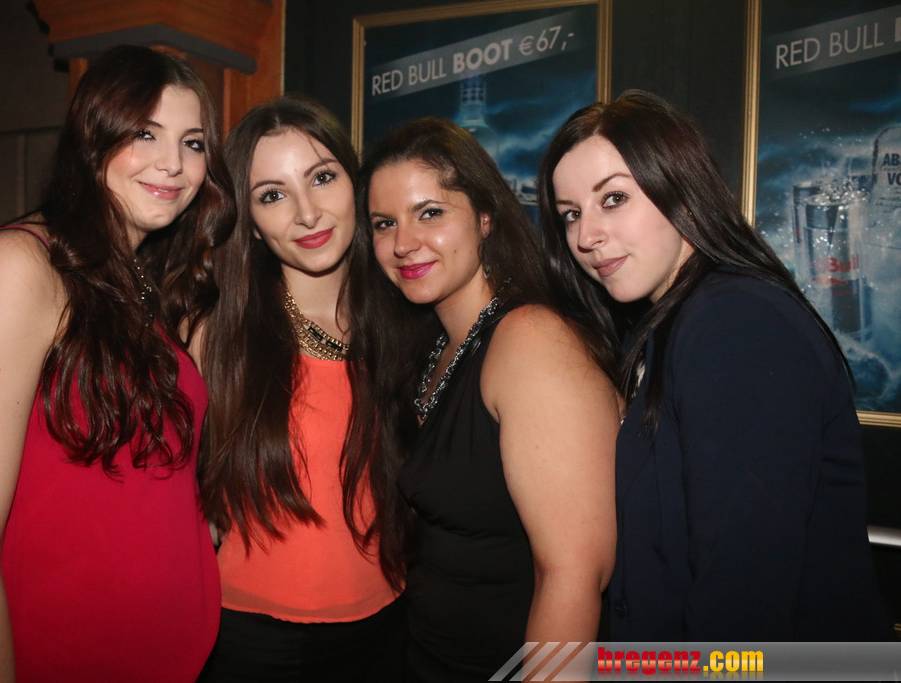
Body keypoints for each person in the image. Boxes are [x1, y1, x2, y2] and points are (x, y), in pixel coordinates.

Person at [538, 89, 895, 641]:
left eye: (614, 199)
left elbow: (743, 603)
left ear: (681, 189)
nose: (587, 236)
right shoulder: (670, 323)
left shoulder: (736, 322)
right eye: (570, 214)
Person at [0, 46, 234, 681]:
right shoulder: (18, 268)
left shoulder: (145, 284)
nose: (173, 163)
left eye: (193, 143)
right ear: (94, 136)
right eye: (145, 133)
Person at [360, 117, 620, 681]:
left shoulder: (532, 339)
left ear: (484, 217)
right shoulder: (432, 347)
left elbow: (575, 574)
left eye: (430, 213)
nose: (403, 243)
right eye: (384, 223)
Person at [195, 94, 409, 682]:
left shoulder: (407, 314)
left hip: (392, 627)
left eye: (321, 178)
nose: (308, 213)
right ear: (250, 224)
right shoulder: (218, 334)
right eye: (273, 195)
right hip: (254, 641)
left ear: (355, 184)